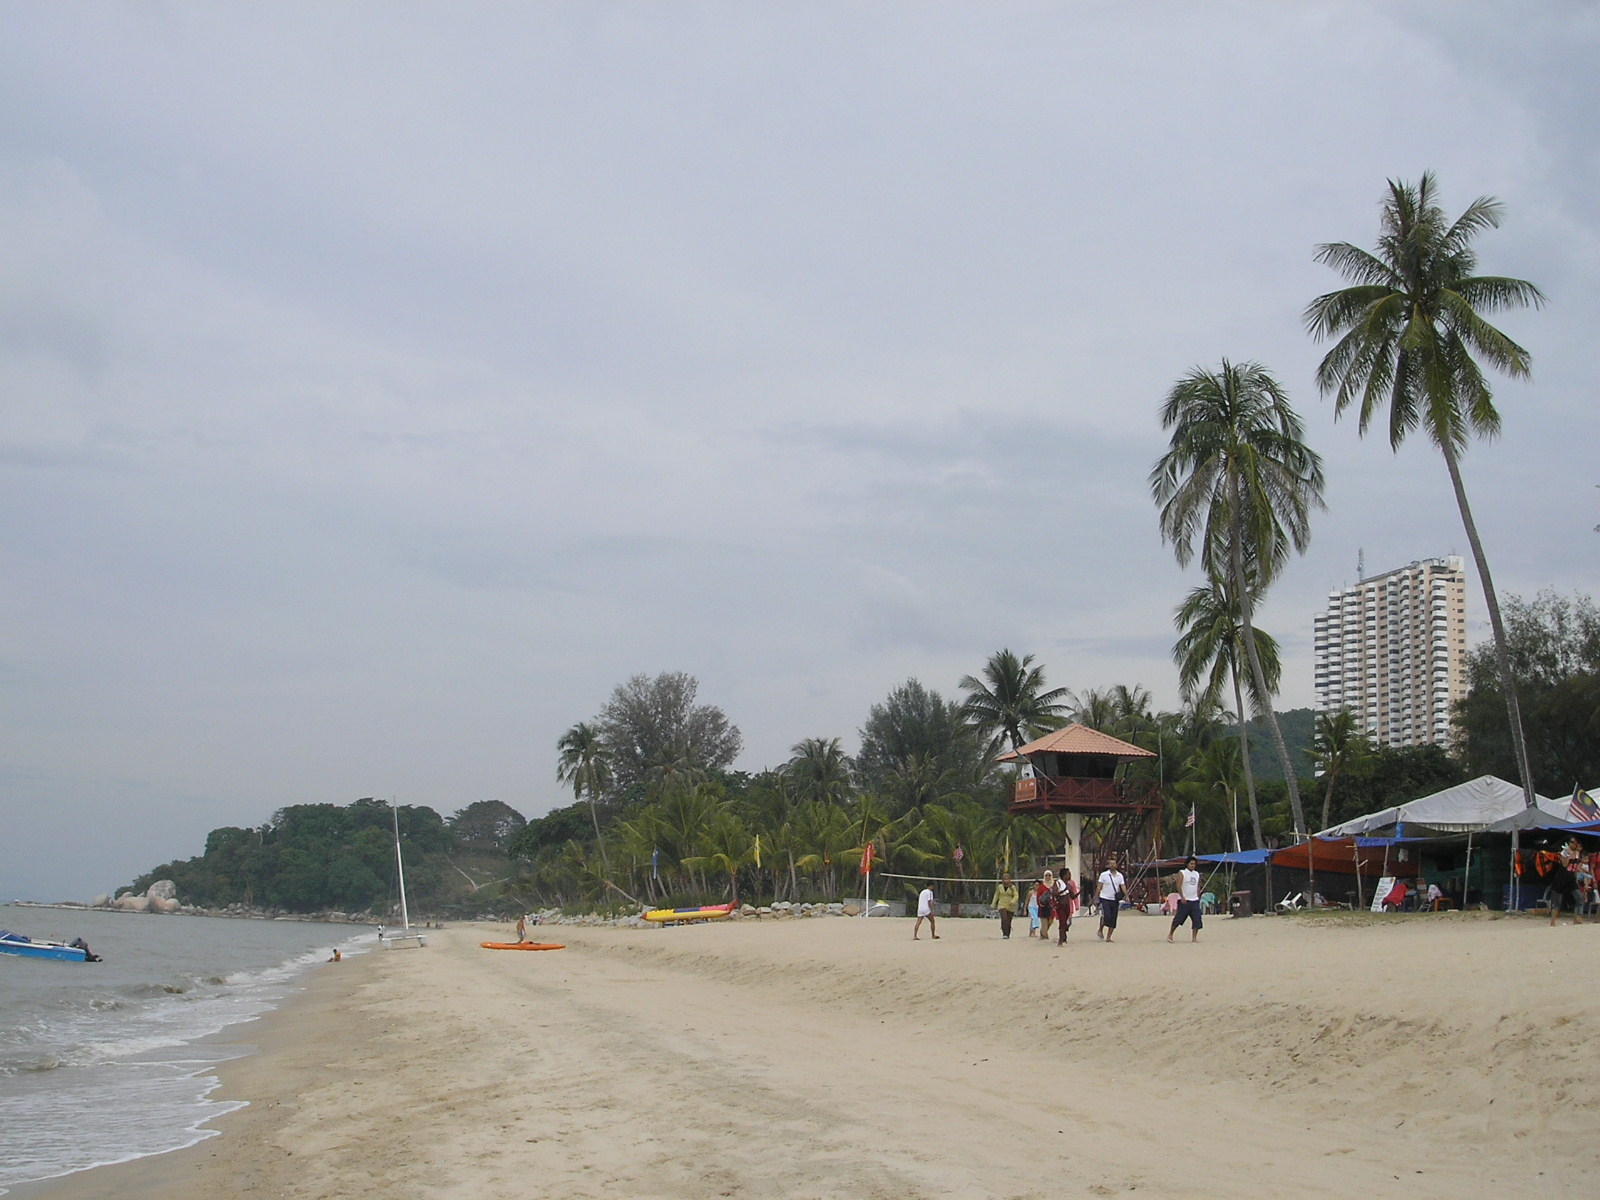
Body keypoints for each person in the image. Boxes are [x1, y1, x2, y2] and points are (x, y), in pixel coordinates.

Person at [1168, 856, 1203, 943]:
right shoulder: (1182, 873)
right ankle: (1170, 934)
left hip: (1194, 900)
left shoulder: (1197, 874)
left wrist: (1198, 895)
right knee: (1179, 919)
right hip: (1184, 900)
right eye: (1191, 864)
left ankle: (1194, 937)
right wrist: (1182, 896)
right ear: (1187, 864)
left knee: (1197, 919)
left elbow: (1198, 886)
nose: (1193, 865)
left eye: (1194, 864)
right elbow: (1178, 885)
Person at [1096, 855, 1127, 943]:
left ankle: (1108, 937)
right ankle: (1100, 929)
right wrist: (1096, 898)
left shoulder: (1119, 875)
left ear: (1116, 865)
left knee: (1113, 918)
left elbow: (1122, 886)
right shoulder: (1104, 875)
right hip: (1105, 898)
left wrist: (1126, 895)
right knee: (1107, 916)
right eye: (1111, 864)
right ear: (1108, 865)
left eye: (1114, 864)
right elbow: (1099, 886)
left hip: (1115, 899)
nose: (1112, 865)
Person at [1052, 869, 1078, 945]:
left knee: (1065, 922)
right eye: (1068, 874)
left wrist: (1079, 892)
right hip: (1060, 905)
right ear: (1064, 875)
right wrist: (1063, 891)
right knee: (1062, 922)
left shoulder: (1069, 885)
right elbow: (1054, 893)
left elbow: (1072, 896)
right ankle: (1061, 940)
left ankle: (1063, 936)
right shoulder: (1058, 883)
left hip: (1067, 906)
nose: (1070, 876)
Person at [992, 874, 1019, 940]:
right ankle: (1004, 933)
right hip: (1002, 904)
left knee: (1008, 920)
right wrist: (993, 903)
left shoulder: (1012, 887)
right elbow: (996, 895)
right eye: (1005, 879)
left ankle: (1007, 933)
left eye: (1007, 879)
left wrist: (1013, 901)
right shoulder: (1000, 887)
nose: (1006, 880)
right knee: (1004, 918)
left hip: (1010, 905)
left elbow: (1016, 895)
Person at [1036, 871, 1056, 944]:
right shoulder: (1041, 886)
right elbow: (1038, 896)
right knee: (1044, 922)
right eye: (1046, 875)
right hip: (1043, 907)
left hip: (1051, 907)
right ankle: (1044, 936)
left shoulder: (1054, 886)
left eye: (1049, 875)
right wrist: (1040, 904)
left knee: (1050, 921)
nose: (1048, 877)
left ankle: (1042, 932)